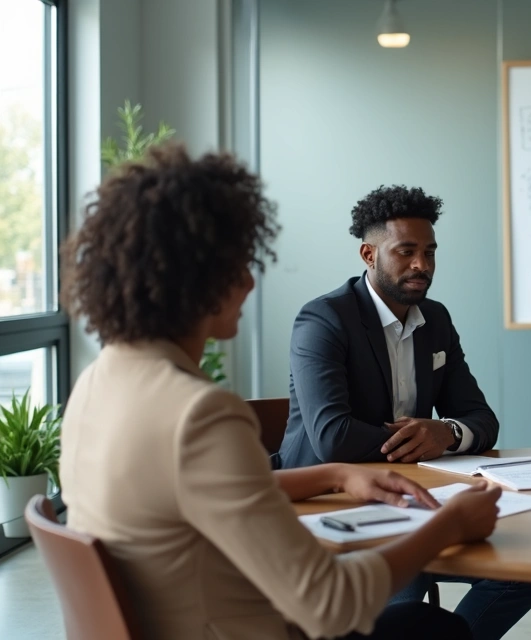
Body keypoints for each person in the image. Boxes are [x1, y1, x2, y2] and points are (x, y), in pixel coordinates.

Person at [57, 144, 501, 640]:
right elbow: (331, 604)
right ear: (190, 279)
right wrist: (449, 524)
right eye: (237, 266)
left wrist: (334, 474)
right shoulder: (201, 414)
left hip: (188, 612)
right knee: (433, 628)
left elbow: (181, 492)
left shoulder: (99, 382)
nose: (250, 282)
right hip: (250, 625)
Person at [276, 185, 531, 640]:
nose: (421, 265)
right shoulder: (324, 320)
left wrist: (445, 432)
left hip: (413, 502)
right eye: (405, 251)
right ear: (369, 253)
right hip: (329, 508)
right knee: (407, 588)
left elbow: (482, 420)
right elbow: (332, 438)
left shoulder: (435, 320)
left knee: (529, 565)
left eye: (429, 252)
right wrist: (413, 439)